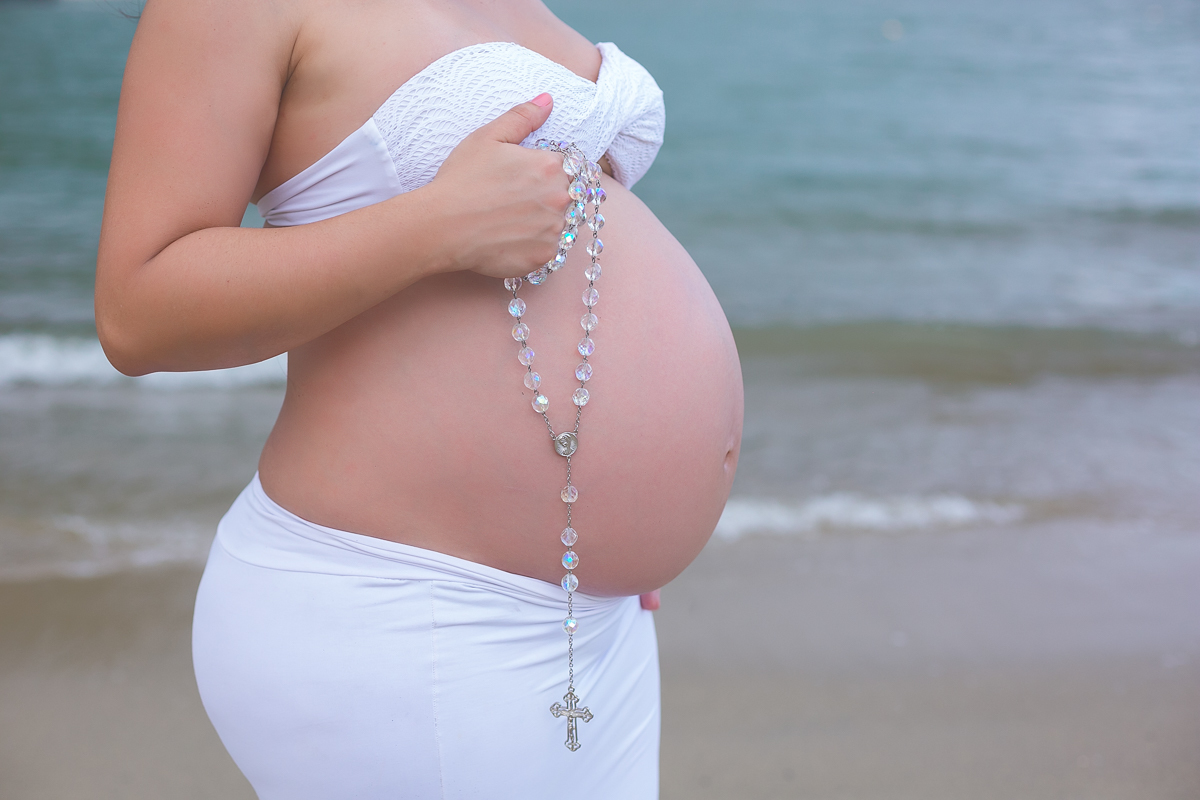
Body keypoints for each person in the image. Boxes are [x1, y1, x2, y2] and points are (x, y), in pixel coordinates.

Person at [96, 0, 743, 795]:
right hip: (406, 611)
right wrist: (435, 227)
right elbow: (138, 313)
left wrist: (601, 532)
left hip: (589, 619)